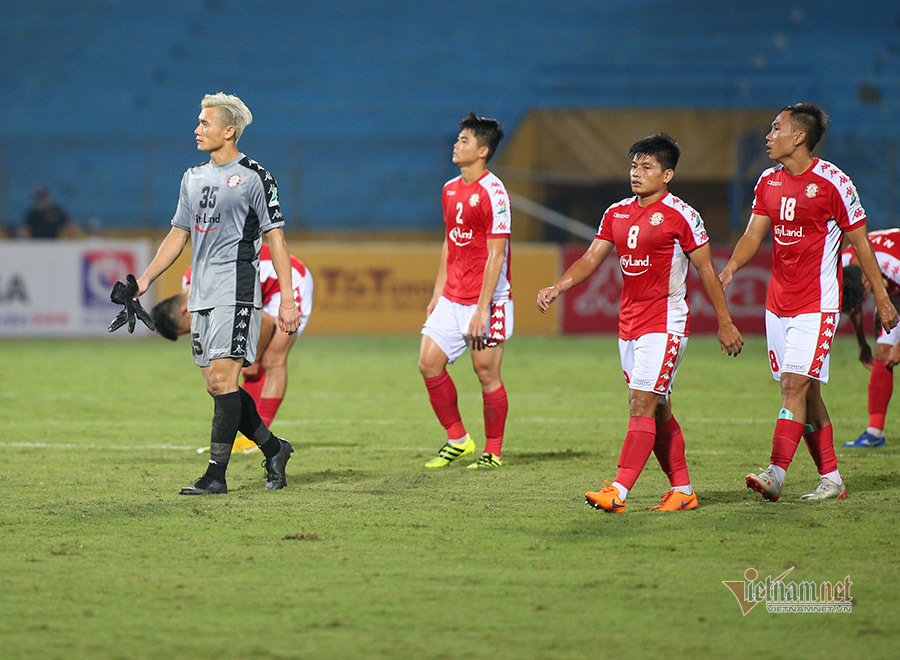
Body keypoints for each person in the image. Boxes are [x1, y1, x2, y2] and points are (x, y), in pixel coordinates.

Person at [538, 133, 744, 512]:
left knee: (641, 403)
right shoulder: (616, 212)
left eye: (646, 167)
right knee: (659, 407)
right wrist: (558, 286)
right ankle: (682, 490)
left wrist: (725, 321)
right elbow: (591, 257)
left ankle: (618, 490)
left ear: (666, 175)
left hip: (665, 324)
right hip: (629, 326)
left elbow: (705, 269)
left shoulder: (682, 215)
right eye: (633, 165)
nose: (636, 173)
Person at [719, 103, 899, 502]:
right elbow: (753, 235)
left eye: (776, 127)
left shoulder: (835, 182)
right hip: (776, 305)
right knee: (808, 393)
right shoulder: (768, 181)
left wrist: (883, 299)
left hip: (817, 305)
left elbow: (861, 244)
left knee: (793, 386)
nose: (768, 135)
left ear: (798, 136)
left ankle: (776, 473)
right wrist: (731, 267)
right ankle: (832, 479)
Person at [135, 92, 301, 495]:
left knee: (226, 379)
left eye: (205, 123)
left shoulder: (255, 177)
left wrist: (289, 298)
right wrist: (143, 281)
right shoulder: (192, 177)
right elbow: (178, 235)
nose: (197, 129)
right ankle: (274, 448)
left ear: (229, 131)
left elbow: (275, 238)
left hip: (237, 289)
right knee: (216, 384)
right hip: (201, 293)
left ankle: (215, 476)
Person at [152, 243, 314, 451]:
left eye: (188, 329)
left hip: (287, 281)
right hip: (254, 290)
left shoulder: (216, 292)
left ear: (185, 311)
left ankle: (258, 438)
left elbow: (263, 321)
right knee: (241, 362)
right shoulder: (190, 285)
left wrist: (254, 358)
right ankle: (256, 435)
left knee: (272, 359)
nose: (193, 332)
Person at [418, 113, 512, 469]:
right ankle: (458, 438)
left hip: (488, 300)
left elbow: (497, 253)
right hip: (452, 297)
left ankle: (493, 451)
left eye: (465, 141)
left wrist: (483, 308)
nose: (457, 145)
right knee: (428, 364)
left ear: (483, 150)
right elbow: (449, 244)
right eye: (458, 139)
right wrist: (437, 292)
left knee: (485, 372)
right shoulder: (449, 189)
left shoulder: (495, 193)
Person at [840, 228, 900, 447]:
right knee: (882, 353)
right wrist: (861, 344)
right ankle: (874, 434)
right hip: (893, 294)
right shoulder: (844, 263)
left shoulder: (891, 264)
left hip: (894, 282)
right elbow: (853, 305)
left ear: (866, 282)